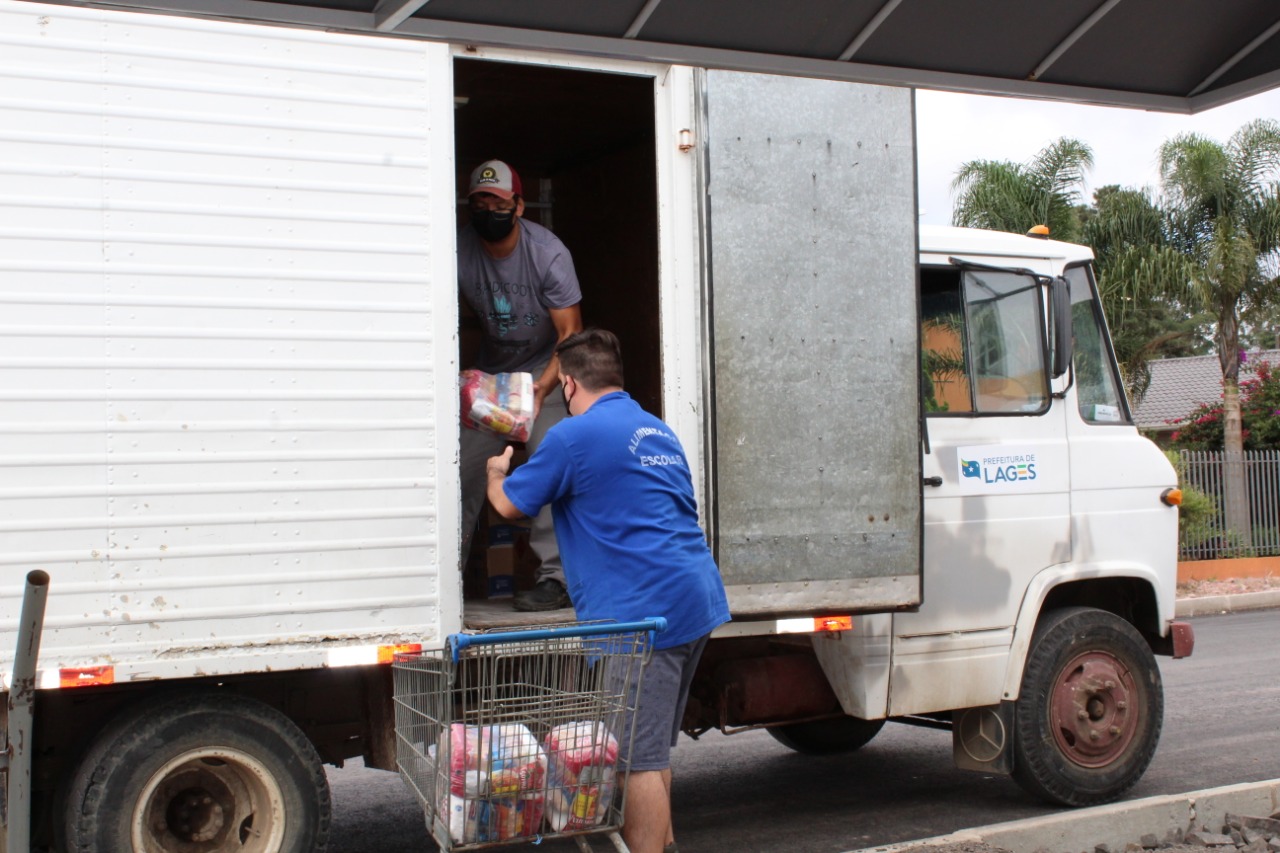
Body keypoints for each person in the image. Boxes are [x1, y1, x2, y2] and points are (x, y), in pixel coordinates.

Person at [485, 329, 731, 853]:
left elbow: (509, 506)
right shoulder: (657, 430)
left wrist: (494, 473)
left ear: (568, 385)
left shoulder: (573, 437)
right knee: (652, 751)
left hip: (643, 616)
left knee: (636, 761)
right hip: (694, 601)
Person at [458, 159, 582, 611]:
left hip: (545, 374)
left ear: (518, 205)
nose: (487, 207)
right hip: (493, 382)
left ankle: (557, 580)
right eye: (479, 200)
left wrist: (543, 389)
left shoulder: (547, 253)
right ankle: (444, 575)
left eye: (497, 200)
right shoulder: (459, 251)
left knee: (554, 463)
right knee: (461, 470)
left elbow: (571, 335)